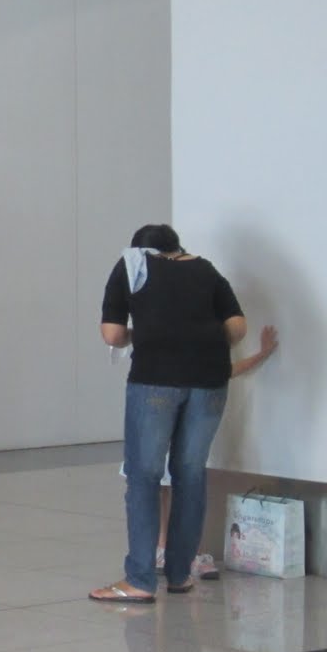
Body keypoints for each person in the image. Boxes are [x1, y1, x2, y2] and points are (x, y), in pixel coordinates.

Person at [92, 224, 247, 604]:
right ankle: (179, 575)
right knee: (190, 475)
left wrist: (142, 333)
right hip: (210, 381)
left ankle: (140, 580)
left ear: (139, 251)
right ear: (178, 248)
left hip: (155, 381)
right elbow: (237, 328)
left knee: (144, 477)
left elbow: (112, 335)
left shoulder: (129, 267)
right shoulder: (206, 270)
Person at [145, 325, 280, 579]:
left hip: (169, 415)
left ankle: (177, 550)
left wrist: (262, 354)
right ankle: (172, 550)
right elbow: (222, 371)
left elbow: (222, 371)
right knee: (170, 481)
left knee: (175, 481)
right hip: (166, 414)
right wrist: (262, 354)